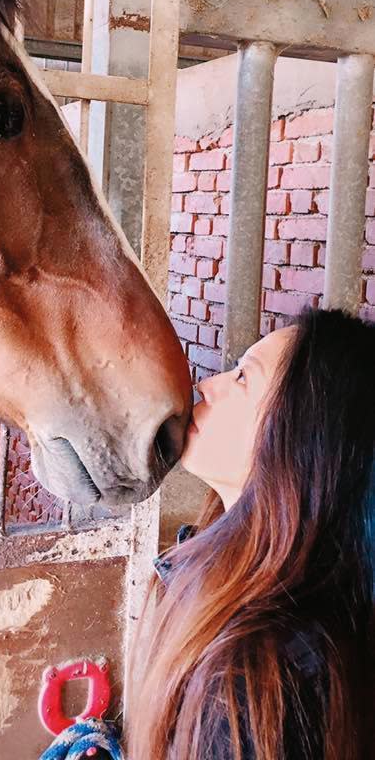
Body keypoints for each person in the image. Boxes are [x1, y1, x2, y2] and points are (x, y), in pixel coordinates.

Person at [130, 308, 375, 760]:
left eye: (243, 377)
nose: (205, 386)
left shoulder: (262, 684)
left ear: (304, 439)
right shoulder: (209, 567)